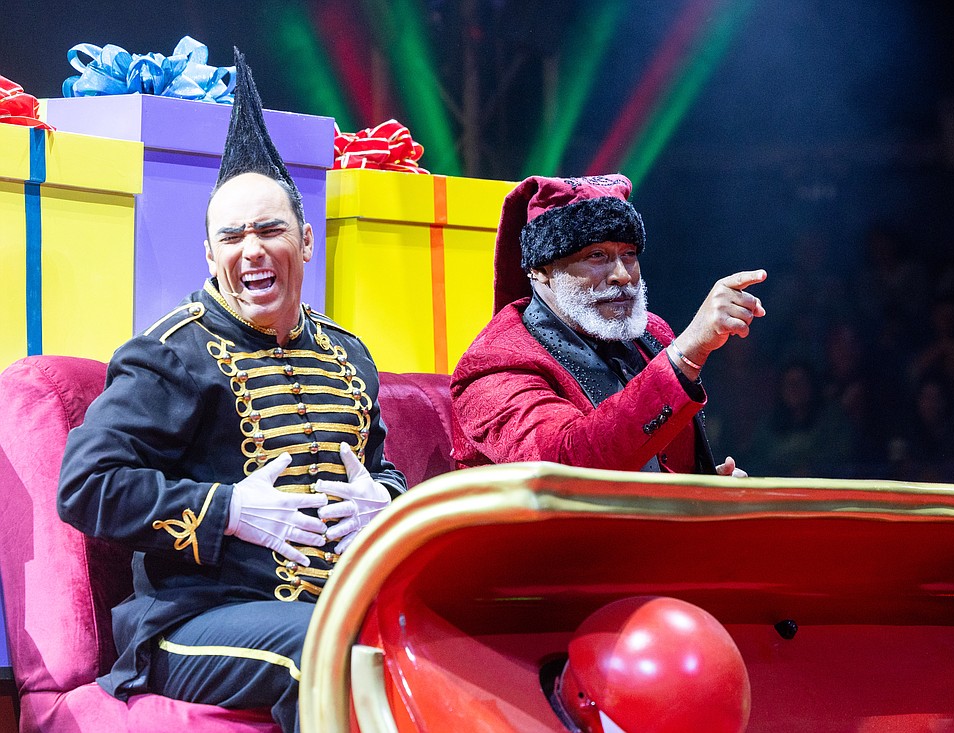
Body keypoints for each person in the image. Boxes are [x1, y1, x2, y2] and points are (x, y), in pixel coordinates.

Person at [57, 49, 405, 733]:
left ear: (306, 241)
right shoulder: (172, 351)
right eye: (232, 236)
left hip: (334, 596)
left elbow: (380, 465)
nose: (251, 249)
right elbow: (86, 484)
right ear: (210, 256)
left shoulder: (348, 354)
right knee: (327, 647)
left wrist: (383, 501)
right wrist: (228, 511)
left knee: (437, 636)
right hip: (192, 618)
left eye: (270, 230)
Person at [450, 174, 766, 475]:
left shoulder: (651, 333)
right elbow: (565, 469)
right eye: (598, 255)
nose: (623, 275)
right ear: (542, 270)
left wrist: (703, 489)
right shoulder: (494, 364)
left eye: (629, 254)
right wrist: (687, 352)